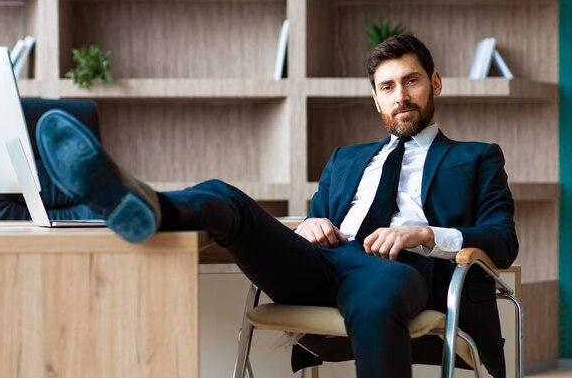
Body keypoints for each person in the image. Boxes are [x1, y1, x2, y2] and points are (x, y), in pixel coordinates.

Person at [35, 34, 517, 378]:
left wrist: (424, 233)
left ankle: (137, 204)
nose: (401, 96)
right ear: (375, 100)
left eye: (411, 82)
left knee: (376, 296)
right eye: (387, 87)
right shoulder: (346, 159)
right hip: (319, 261)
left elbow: (502, 239)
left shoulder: (475, 157)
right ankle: (141, 206)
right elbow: (317, 214)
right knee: (225, 196)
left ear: (435, 83)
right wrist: (310, 224)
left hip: (395, 269)